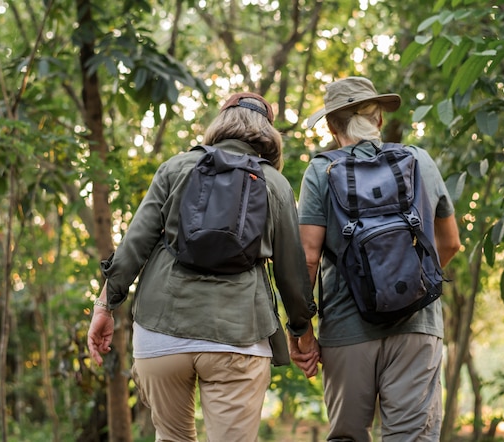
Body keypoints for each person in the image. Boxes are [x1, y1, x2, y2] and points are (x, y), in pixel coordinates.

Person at [87, 92, 319, 442]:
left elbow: (134, 245)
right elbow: (291, 271)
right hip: (239, 337)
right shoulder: (275, 184)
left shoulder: (176, 168)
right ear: (268, 134)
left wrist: (105, 306)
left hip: (162, 332)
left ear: (219, 124)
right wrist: (301, 330)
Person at [294, 77, 461, 441]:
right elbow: (450, 243)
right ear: (379, 121)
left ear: (331, 126)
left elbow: (307, 259)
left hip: (346, 330)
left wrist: (302, 333)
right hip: (417, 328)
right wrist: (407, 281)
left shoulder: (320, 172)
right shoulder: (419, 161)